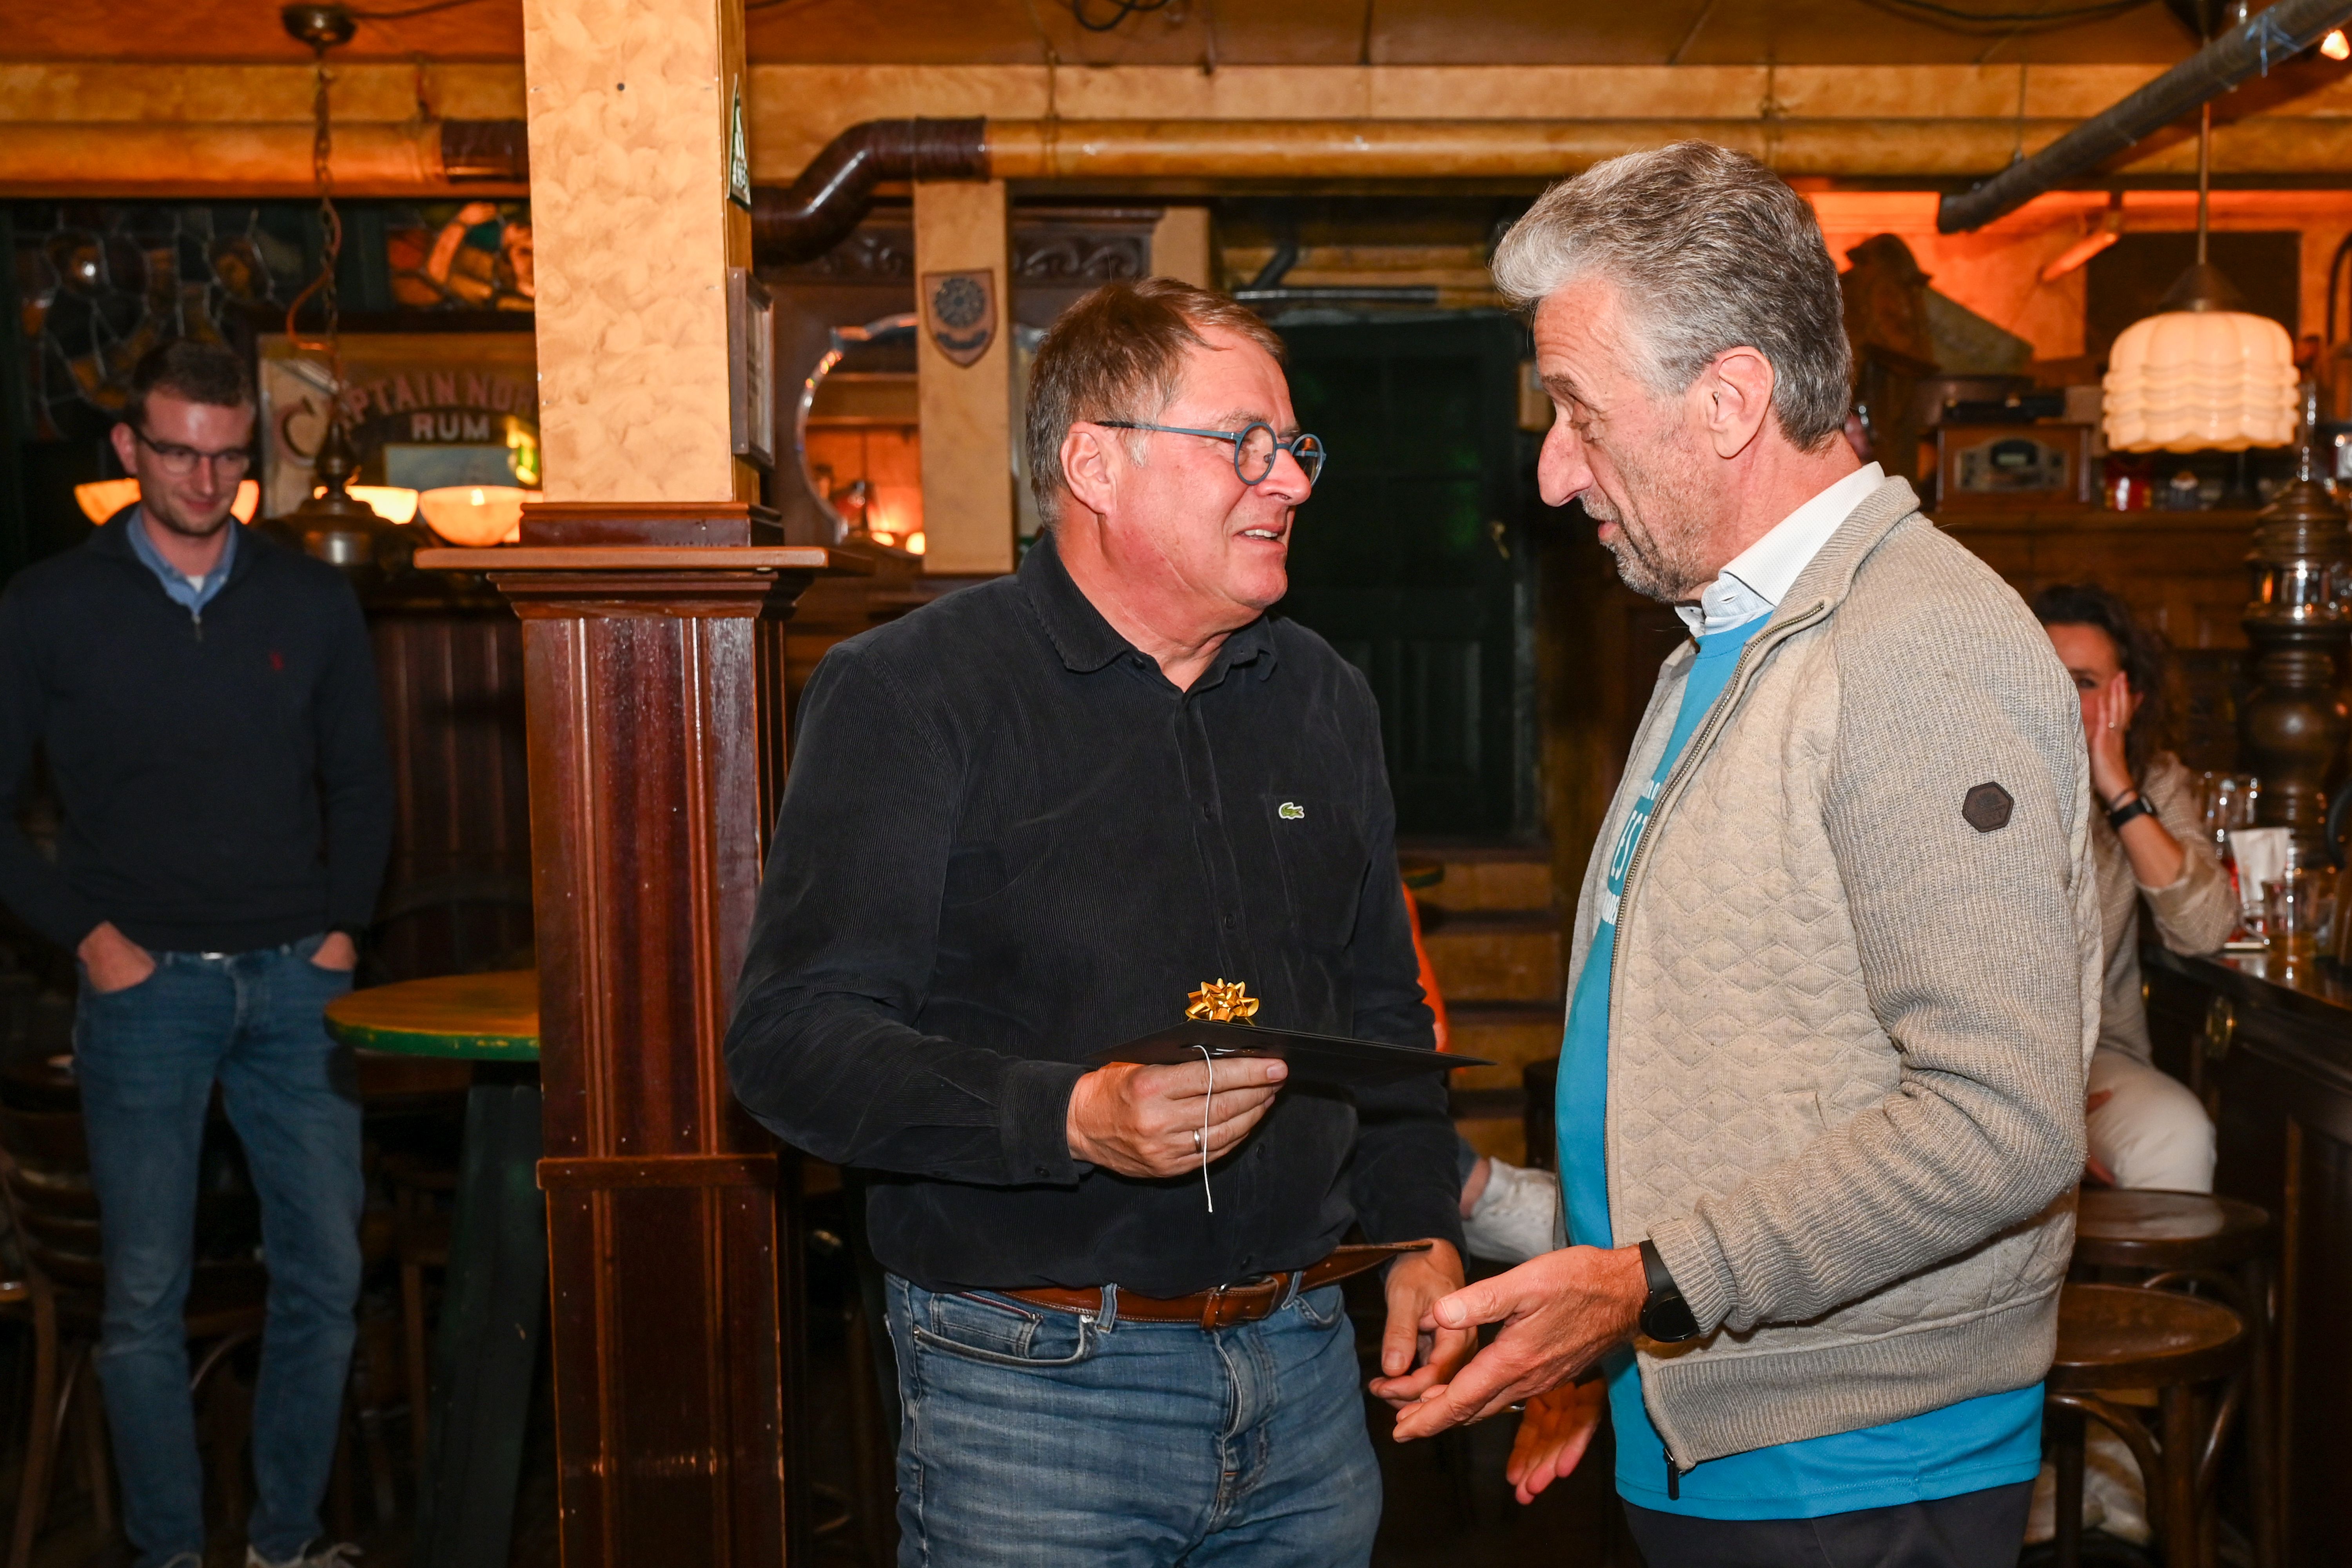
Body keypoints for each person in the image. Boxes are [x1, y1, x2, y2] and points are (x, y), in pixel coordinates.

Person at [1388, 142, 2098, 1568]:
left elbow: (2001, 1123)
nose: (1552, 471)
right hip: (1715, 1414)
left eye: (1579, 412)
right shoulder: (1728, 638)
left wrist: (1645, 1287)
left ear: (1729, 400)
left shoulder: (1916, 648)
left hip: (1853, 1465)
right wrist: (1613, 1329)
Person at [724, 277, 1468, 1568]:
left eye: (1295, 447)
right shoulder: (912, 692)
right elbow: (794, 1043)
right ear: (1095, 464)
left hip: (1308, 1372)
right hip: (1034, 1387)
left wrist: (1420, 1234)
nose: (1292, 480)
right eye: (1245, 444)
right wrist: (1072, 1117)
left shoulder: (1325, 697)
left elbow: (1379, 1006)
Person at [0, 341, 393, 1568]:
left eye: (228, 457)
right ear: (129, 448)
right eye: (179, 453)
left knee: (325, 1280)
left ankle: (285, 1544)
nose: (206, 480)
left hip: (297, 982)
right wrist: (90, 941)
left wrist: (343, 929)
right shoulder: (47, 607)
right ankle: (169, 1555)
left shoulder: (310, 600)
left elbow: (364, 783)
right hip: (144, 991)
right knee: (142, 1301)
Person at [2035, 582, 2231, 1194]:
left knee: (2174, 1134)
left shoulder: (2154, 781)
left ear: (2130, 699)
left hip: (2096, 1055)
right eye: (2045, 674)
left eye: (2085, 682)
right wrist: (2037, 1109)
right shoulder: (1956, 778)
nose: (2060, 698)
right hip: (1963, 1062)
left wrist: (2119, 791)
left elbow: (2206, 930)